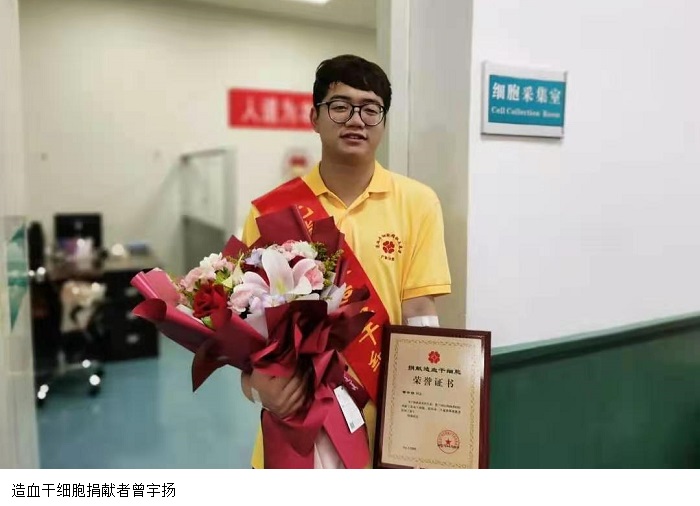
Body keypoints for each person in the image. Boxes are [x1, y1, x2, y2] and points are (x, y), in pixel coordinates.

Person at [240, 54, 451, 468]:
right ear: (314, 118)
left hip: (384, 426)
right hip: (295, 422)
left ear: (384, 123)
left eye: (371, 109)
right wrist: (255, 386)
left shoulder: (418, 203)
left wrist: (427, 419)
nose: (357, 120)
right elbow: (248, 327)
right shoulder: (270, 212)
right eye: (340, 106)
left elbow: (421, 316)